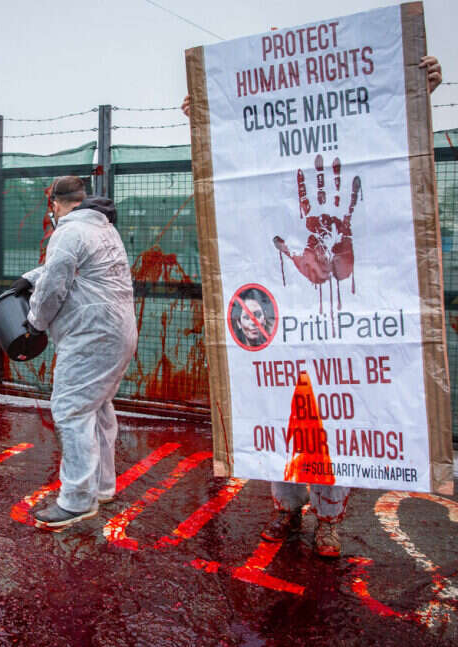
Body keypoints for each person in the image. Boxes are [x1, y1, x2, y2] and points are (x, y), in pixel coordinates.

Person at [182, 55, 442, 557]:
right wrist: (209, 118)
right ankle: (287, 508)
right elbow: (242, 165)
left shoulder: (342, 204)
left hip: (343, 336)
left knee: (334, 433)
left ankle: (329, 519)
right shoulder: (273, 194)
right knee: (285, 425)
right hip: (285, 336)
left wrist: (410, 90)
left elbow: (382, 134)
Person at [12, 176, 137, 530]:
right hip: (118, 333)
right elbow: (75, 270)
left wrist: (34, 324)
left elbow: (54, 286)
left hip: (91, 336)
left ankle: (77, 500)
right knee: (96, 407)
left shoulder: (68, 232)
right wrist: (30, 277)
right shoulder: (102, 229)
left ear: (54, 203)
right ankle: (102, 485)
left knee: (69, 409)